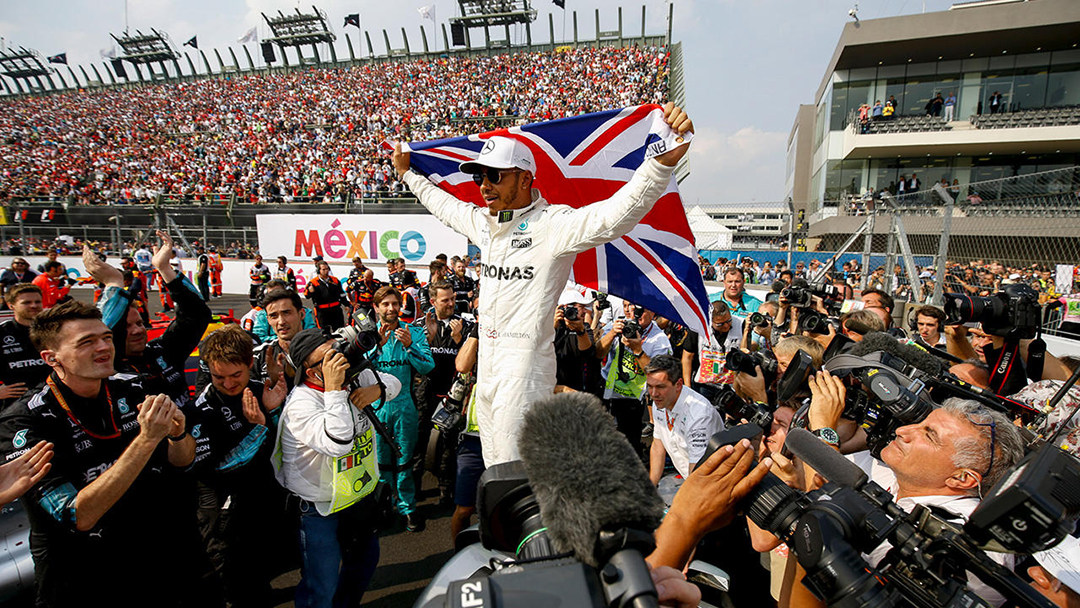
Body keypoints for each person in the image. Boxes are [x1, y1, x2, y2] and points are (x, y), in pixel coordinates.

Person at [391, 101, 693, 465]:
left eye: (494, 176)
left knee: (512, 474)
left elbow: (616, 215)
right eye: (479, 177)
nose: (484, 186)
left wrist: (660, 165)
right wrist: (407, 175)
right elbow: (443, 205)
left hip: (526, 370)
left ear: (524, 178)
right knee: (495, 472)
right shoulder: (485, 224)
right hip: (486, 368)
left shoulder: (553, 224)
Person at [0, 300, 213, 608]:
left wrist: (177, 435)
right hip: (86, 577)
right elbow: (77, 515)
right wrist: (147, 439)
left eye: (106, 338)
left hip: (164, 557)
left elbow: (182, 462)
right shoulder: (24, 422)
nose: (103, 347)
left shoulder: (133, 387)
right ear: (51, 358)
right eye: (86, 342)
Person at [272, 328, 401, 608]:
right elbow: (339, 442)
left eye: (338, 349)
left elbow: (395, 383)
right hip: (319, 509)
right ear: (311, 372)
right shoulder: (301, 404)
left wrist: (377, 389)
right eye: (330, 358)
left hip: (356, 497)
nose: (341, 359)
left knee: (363, 564)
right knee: (322, 585)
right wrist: (334, 391)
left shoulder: (353, 377)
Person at [192, 325, 290, 608]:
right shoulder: (203, 408)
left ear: (249, 363)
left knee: (260, 568)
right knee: (232, 581)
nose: (228, 383)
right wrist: (258, 428)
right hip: (224, 509)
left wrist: (273, 411)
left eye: (235, 375)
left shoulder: (261, 389)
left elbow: (284, 442)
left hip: (261, 496)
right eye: (218, 377)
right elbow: (217, 468)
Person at [90, 232, 211, 410]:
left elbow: (197, 315)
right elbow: (98, 335)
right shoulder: (103, 367)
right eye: (126, 327)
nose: (137, 330)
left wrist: (165, 269)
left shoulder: (162, 351)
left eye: (139, 323)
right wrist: (113, 283)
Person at [370, 286, 434, 531]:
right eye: (385, 304)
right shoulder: (367, 334)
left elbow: (427, 366)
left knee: (404, 460)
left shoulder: (413, 332)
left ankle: (407, 507)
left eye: (395, 304)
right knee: (380, 462)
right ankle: (383, 506)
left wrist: (409, 346)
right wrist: (377, 346)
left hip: (404, 405)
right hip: (375, 408)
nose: (391, 308)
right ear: (376, 307)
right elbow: (356, 370)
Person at [413, 281, 472, 504]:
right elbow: (413, 359)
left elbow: (470, 361)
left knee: (449, 443)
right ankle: (414, 489)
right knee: (419, 440)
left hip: (453, 393)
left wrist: (459, 339)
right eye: (445, 300)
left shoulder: (465, 325)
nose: (451, 303)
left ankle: (446, 490)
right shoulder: (420, 325)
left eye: (453, 299)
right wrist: (426, 340)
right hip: (425, 391)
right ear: (433, 302)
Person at [597, 301, 673, 454]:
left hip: (631, 398)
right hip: (606, 390)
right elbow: (597, 354)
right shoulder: (617, 325)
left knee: (628, 443)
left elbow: (658, 375)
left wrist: (638, 350)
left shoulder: (659, 339)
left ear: (652, 312)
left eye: (639, 309)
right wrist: (612, 334)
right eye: (626, 306)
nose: (631, 312)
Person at [646, 354, 724, 485]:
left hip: (712, 483)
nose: (653, 394)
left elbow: (698, 470)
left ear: (678, 385)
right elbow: (658, 445)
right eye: (650, 386)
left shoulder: (699, 415)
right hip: (692, 480)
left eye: (660, 387)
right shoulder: (660, 401)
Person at [681, 300, 744, 403]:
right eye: (720, 324)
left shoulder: (741, 324)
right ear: (711, 320)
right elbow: (687, 357)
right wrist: (688, 387)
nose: (726, 326)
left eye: (729, 321)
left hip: (731, 386)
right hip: (705, 385)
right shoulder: (699, 327)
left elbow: (747, 351)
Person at [0, 284, 50, 411]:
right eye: (26, 302)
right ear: (11, 305)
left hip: (53, 401)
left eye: (37, 302)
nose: (34, 306)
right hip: (14, 407)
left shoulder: (54, 331)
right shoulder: (3, 332)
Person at [305, 260, 348, 331]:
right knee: (324, 333)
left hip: (336, 310)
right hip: (322, 312)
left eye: (327, 269)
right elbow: (306, 296)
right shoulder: (313, 282)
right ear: (318, 271)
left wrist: (346, 304)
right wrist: (310, 291)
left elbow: (342, 294)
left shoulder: (335, 280)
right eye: (323, 269)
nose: (326, 271)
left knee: (339, 331)